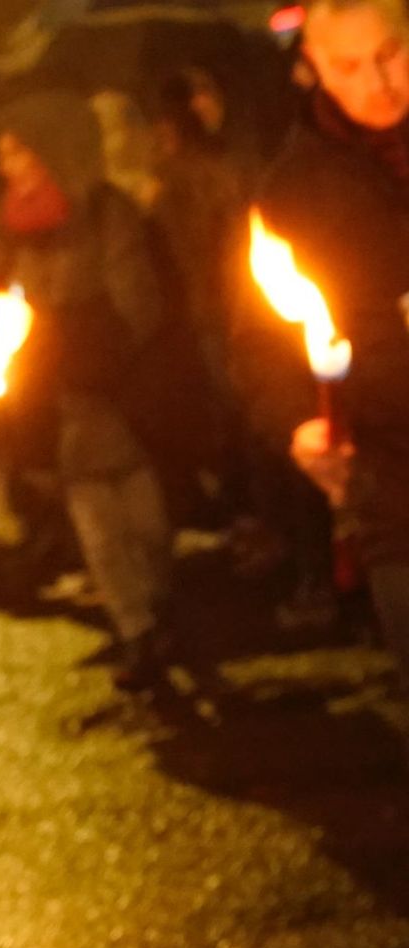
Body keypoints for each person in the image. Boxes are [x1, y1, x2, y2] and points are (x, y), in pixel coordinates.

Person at [0, 93, 176, 690]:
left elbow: (138, 299)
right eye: (3, 155)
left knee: (145, 521)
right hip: (64, 401)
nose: (8, 167)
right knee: (98, 526)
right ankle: (137, 629)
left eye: (17, 151)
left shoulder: (103, 211)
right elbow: (21, 302)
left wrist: (98, 347)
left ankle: (158, 605)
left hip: (119, 392)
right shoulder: (20, 225)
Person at [259, 0, 409, 675]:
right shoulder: (294, 189)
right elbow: (261, 347)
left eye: (393, 55)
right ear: (314, 65)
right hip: (397, 493)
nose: (378, 85)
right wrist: (297, 424)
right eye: (349, 66)